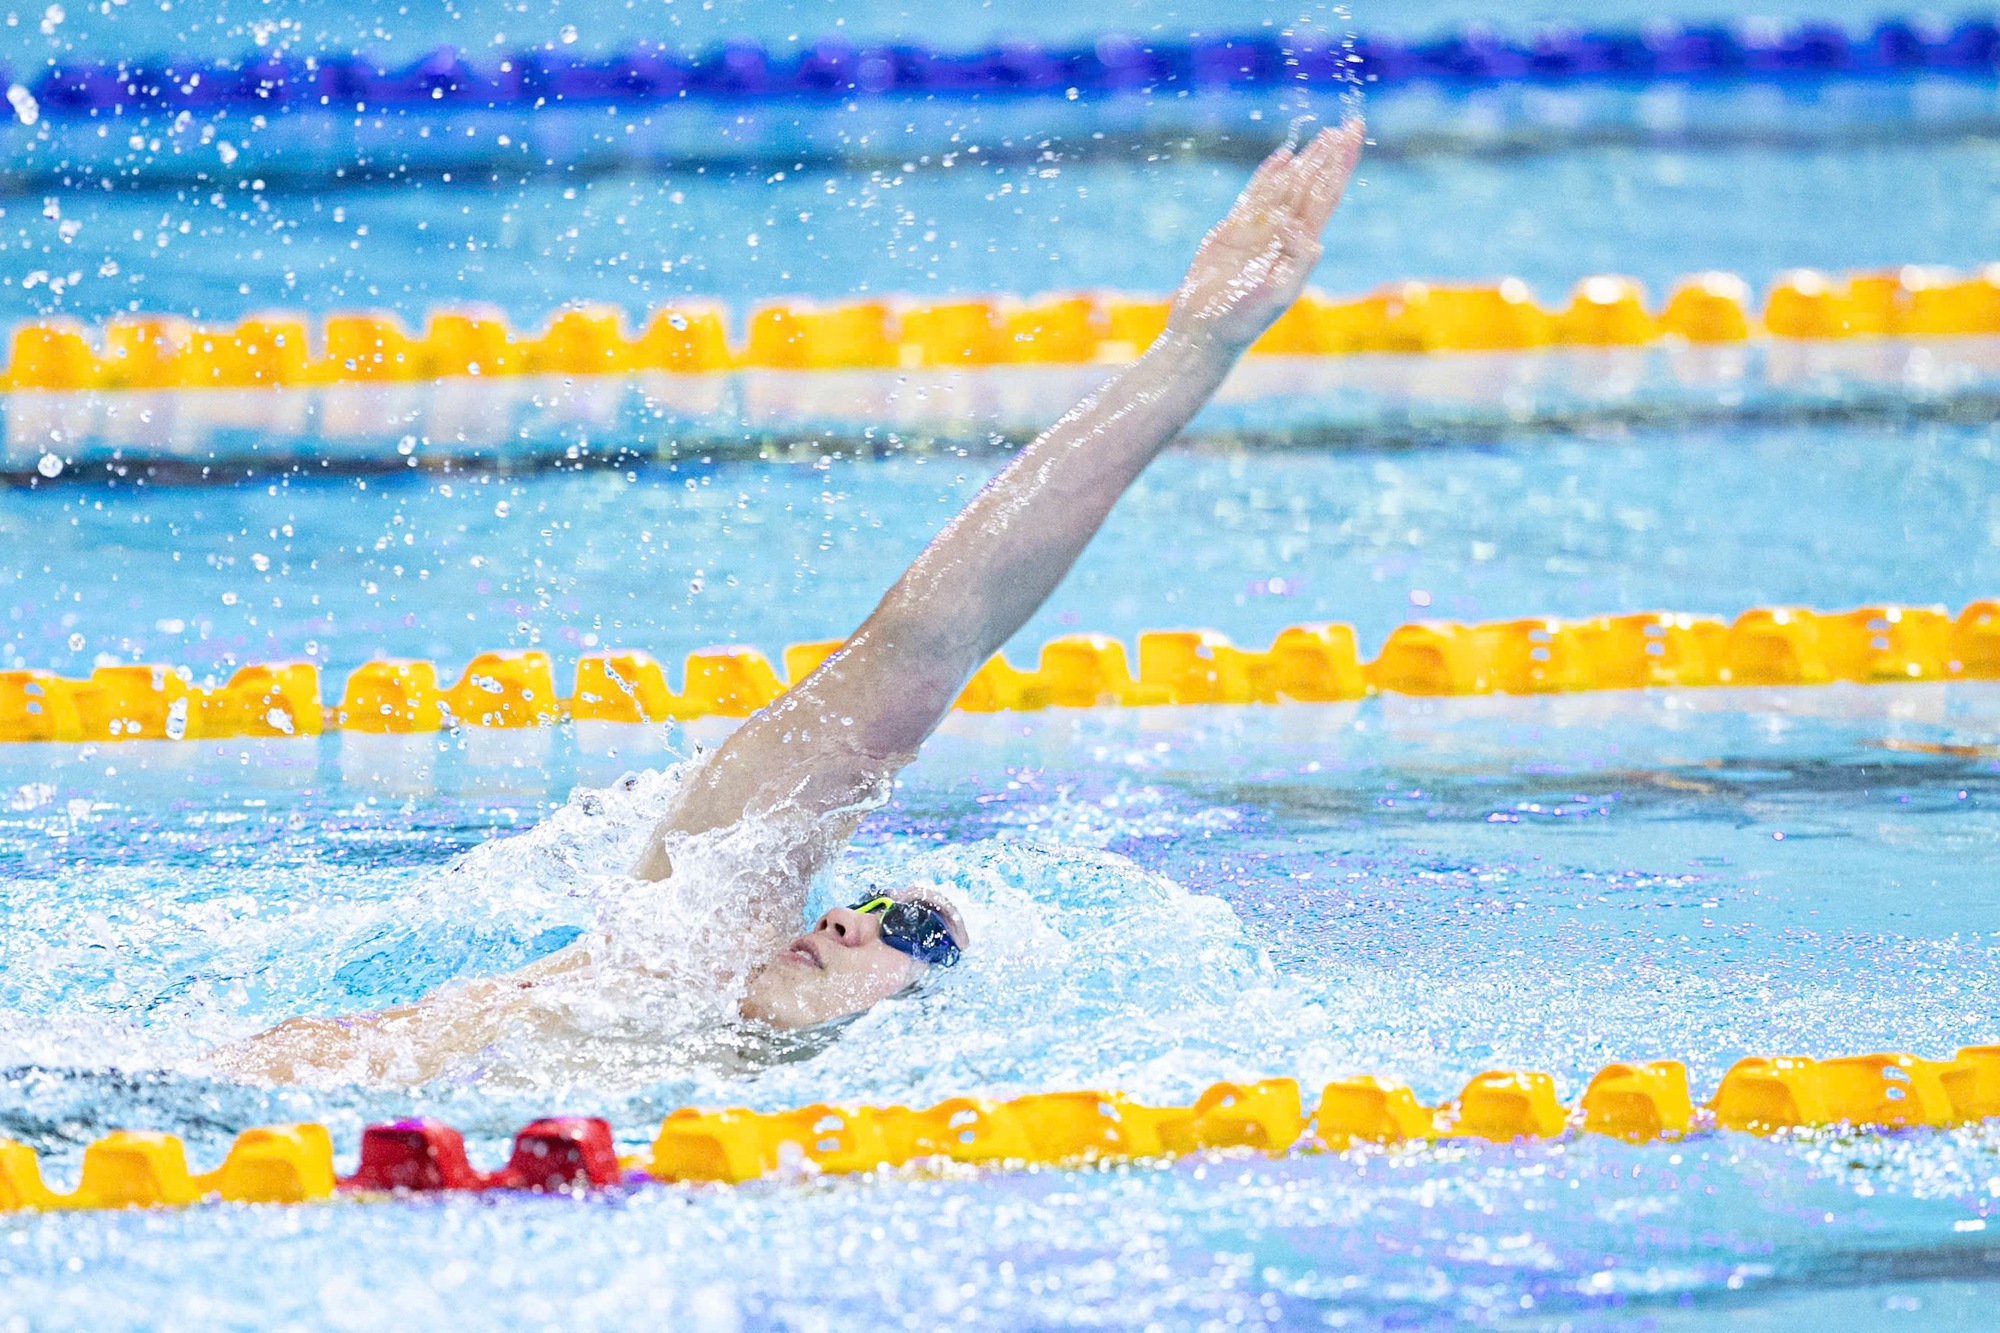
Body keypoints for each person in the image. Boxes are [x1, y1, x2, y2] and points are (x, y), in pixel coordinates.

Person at [217, 122, 1366, 1085]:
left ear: (934, 1019)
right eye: (869, 899)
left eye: (908, 931)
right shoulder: (692, 950)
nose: (846, 920)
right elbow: (921, 647)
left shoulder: (728, 1099)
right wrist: (1189, 351)